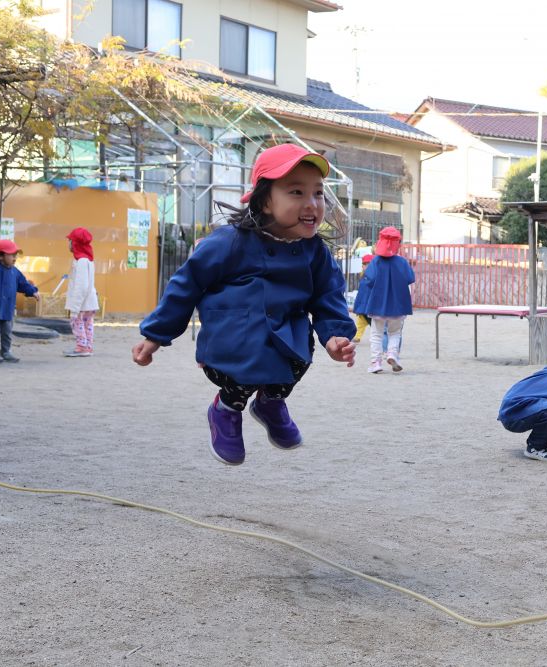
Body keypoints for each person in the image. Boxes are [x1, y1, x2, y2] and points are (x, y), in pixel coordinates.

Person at [131, 143, 356, 466]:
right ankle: (225, 409)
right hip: (234, 338)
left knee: (295, 360)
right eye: (296, 192)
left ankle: (270, 402)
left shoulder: (314, 252)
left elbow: (328, 294)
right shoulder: (230, 242)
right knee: (246, 369)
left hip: (284, 333)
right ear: (265, 201)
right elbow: (186, 284)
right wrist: (155, 335)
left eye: (318, 193)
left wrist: (334, 334)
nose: (312, 204)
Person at [357, 226, 414, 373]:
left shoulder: (376, 262)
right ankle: (392, 354)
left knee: (376, 333)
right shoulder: (402, 262)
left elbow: (369, 280)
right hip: (398, 304)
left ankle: (376, 362)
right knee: (395, 332)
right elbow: (410, 278)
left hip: (378, 303)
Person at [0, 239, 39, 363]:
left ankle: (6, 351)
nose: (15, 258)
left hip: (7, 308)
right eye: (11, 255)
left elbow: (23, 284)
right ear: (0, 256)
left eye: (16, 255)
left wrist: (33, 291)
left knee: (7, 332)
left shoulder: (15, 272)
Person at [64, 227, 99, 357]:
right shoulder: (88, 260)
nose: (68, 244)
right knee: (87, 324)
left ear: (75, 243)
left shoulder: (81, 261)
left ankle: (81, 346)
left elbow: (82, 286)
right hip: (89, 301)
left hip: (82, 303)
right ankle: (87, 346)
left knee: (77, 322)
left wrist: (75, 307)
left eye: (70, 241)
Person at [351, 253, 374, 343]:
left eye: (367, 264)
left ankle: (381, 336)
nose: (365, 266)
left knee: (373, 322)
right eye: (364, 264)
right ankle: (357, 336)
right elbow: (361, 292)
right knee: (361, 321)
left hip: (369, 305)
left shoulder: (373, 276)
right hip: (362, 304)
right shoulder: (363, 276)